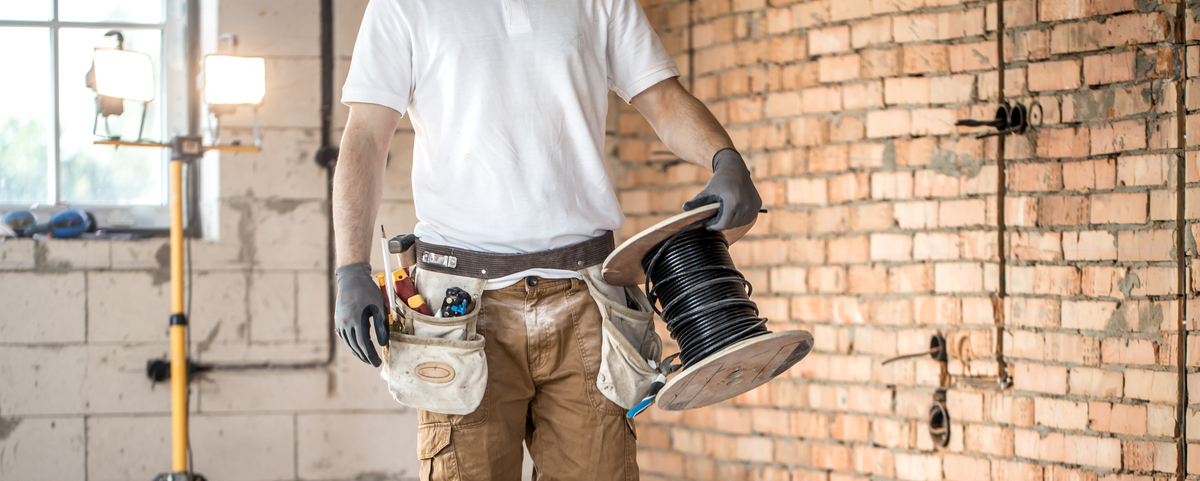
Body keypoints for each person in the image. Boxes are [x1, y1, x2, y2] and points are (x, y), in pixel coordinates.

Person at [331, 0, 761, 478]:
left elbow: (661, 98)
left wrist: (724, 157)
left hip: (587, 300)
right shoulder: (403, 6)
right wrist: (350, 267)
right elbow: (367, 136)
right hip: (461, 311)